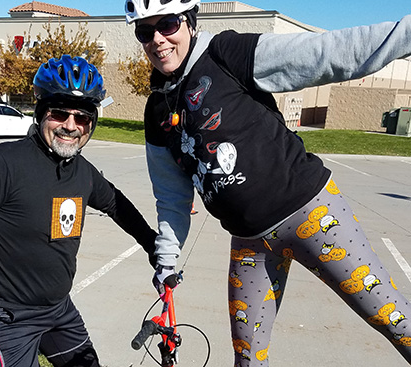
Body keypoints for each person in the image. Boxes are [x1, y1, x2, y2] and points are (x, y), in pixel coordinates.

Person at [125, 0, 411, 365]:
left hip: (313, 217)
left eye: (167, 24)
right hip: (250, 242)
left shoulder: (227, 54)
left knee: (395, 321)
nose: (157, 40)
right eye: (144, 31)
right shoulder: (157, 111)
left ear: (190, 22)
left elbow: (327, 52)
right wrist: (166, 260)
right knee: (248, 358)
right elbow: (170, 197)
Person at [0, 55, 157, 367]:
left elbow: (115, 203)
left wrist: (154, 246)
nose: (71, 126)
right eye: (60, 114)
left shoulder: (82, 171)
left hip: (57, 309)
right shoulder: (2, 163)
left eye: (82, 118)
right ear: (42, 114)